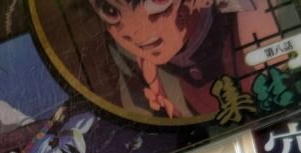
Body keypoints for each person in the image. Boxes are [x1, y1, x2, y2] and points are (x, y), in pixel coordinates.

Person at [87, 0, 280, 118]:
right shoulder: (146, 63)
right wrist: (157, 90)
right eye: (110, 10)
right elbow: (145, 60)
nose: (133, 31)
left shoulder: (248, 22)